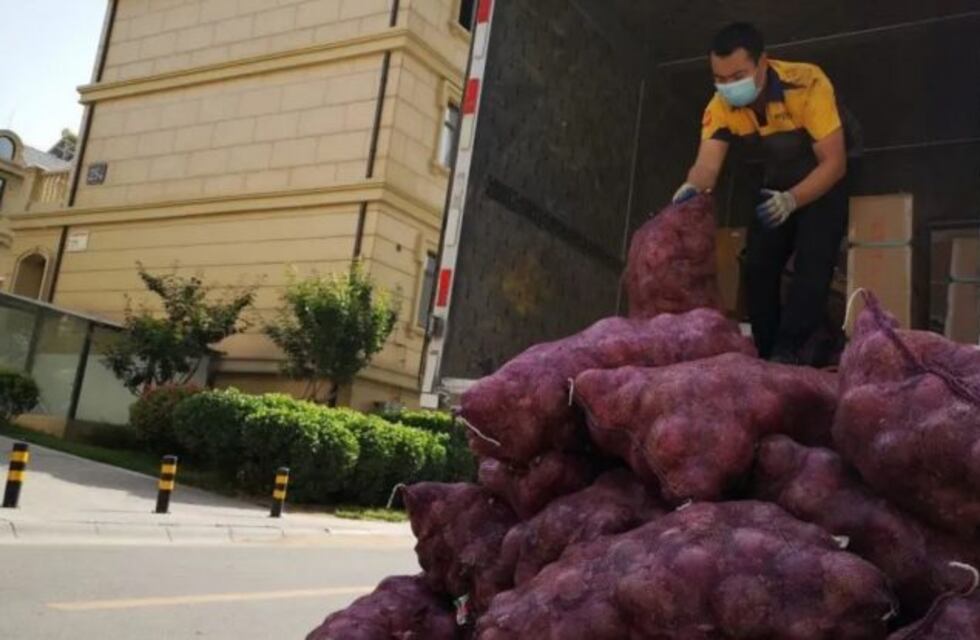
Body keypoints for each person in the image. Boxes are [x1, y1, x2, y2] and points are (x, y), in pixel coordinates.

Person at [674, 22, 861, 364]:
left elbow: (835, 164)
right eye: (720, 78)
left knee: (813, 260)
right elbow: (707, 166)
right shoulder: (719, 105)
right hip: (776, 178)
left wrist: (791, 200)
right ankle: (765, 351)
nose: (728, 86)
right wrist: (692, 187)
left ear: (762, 63)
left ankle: (793, 349)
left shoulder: (807, 83)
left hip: (822, 180)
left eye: (737, 76)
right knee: (758, 264)